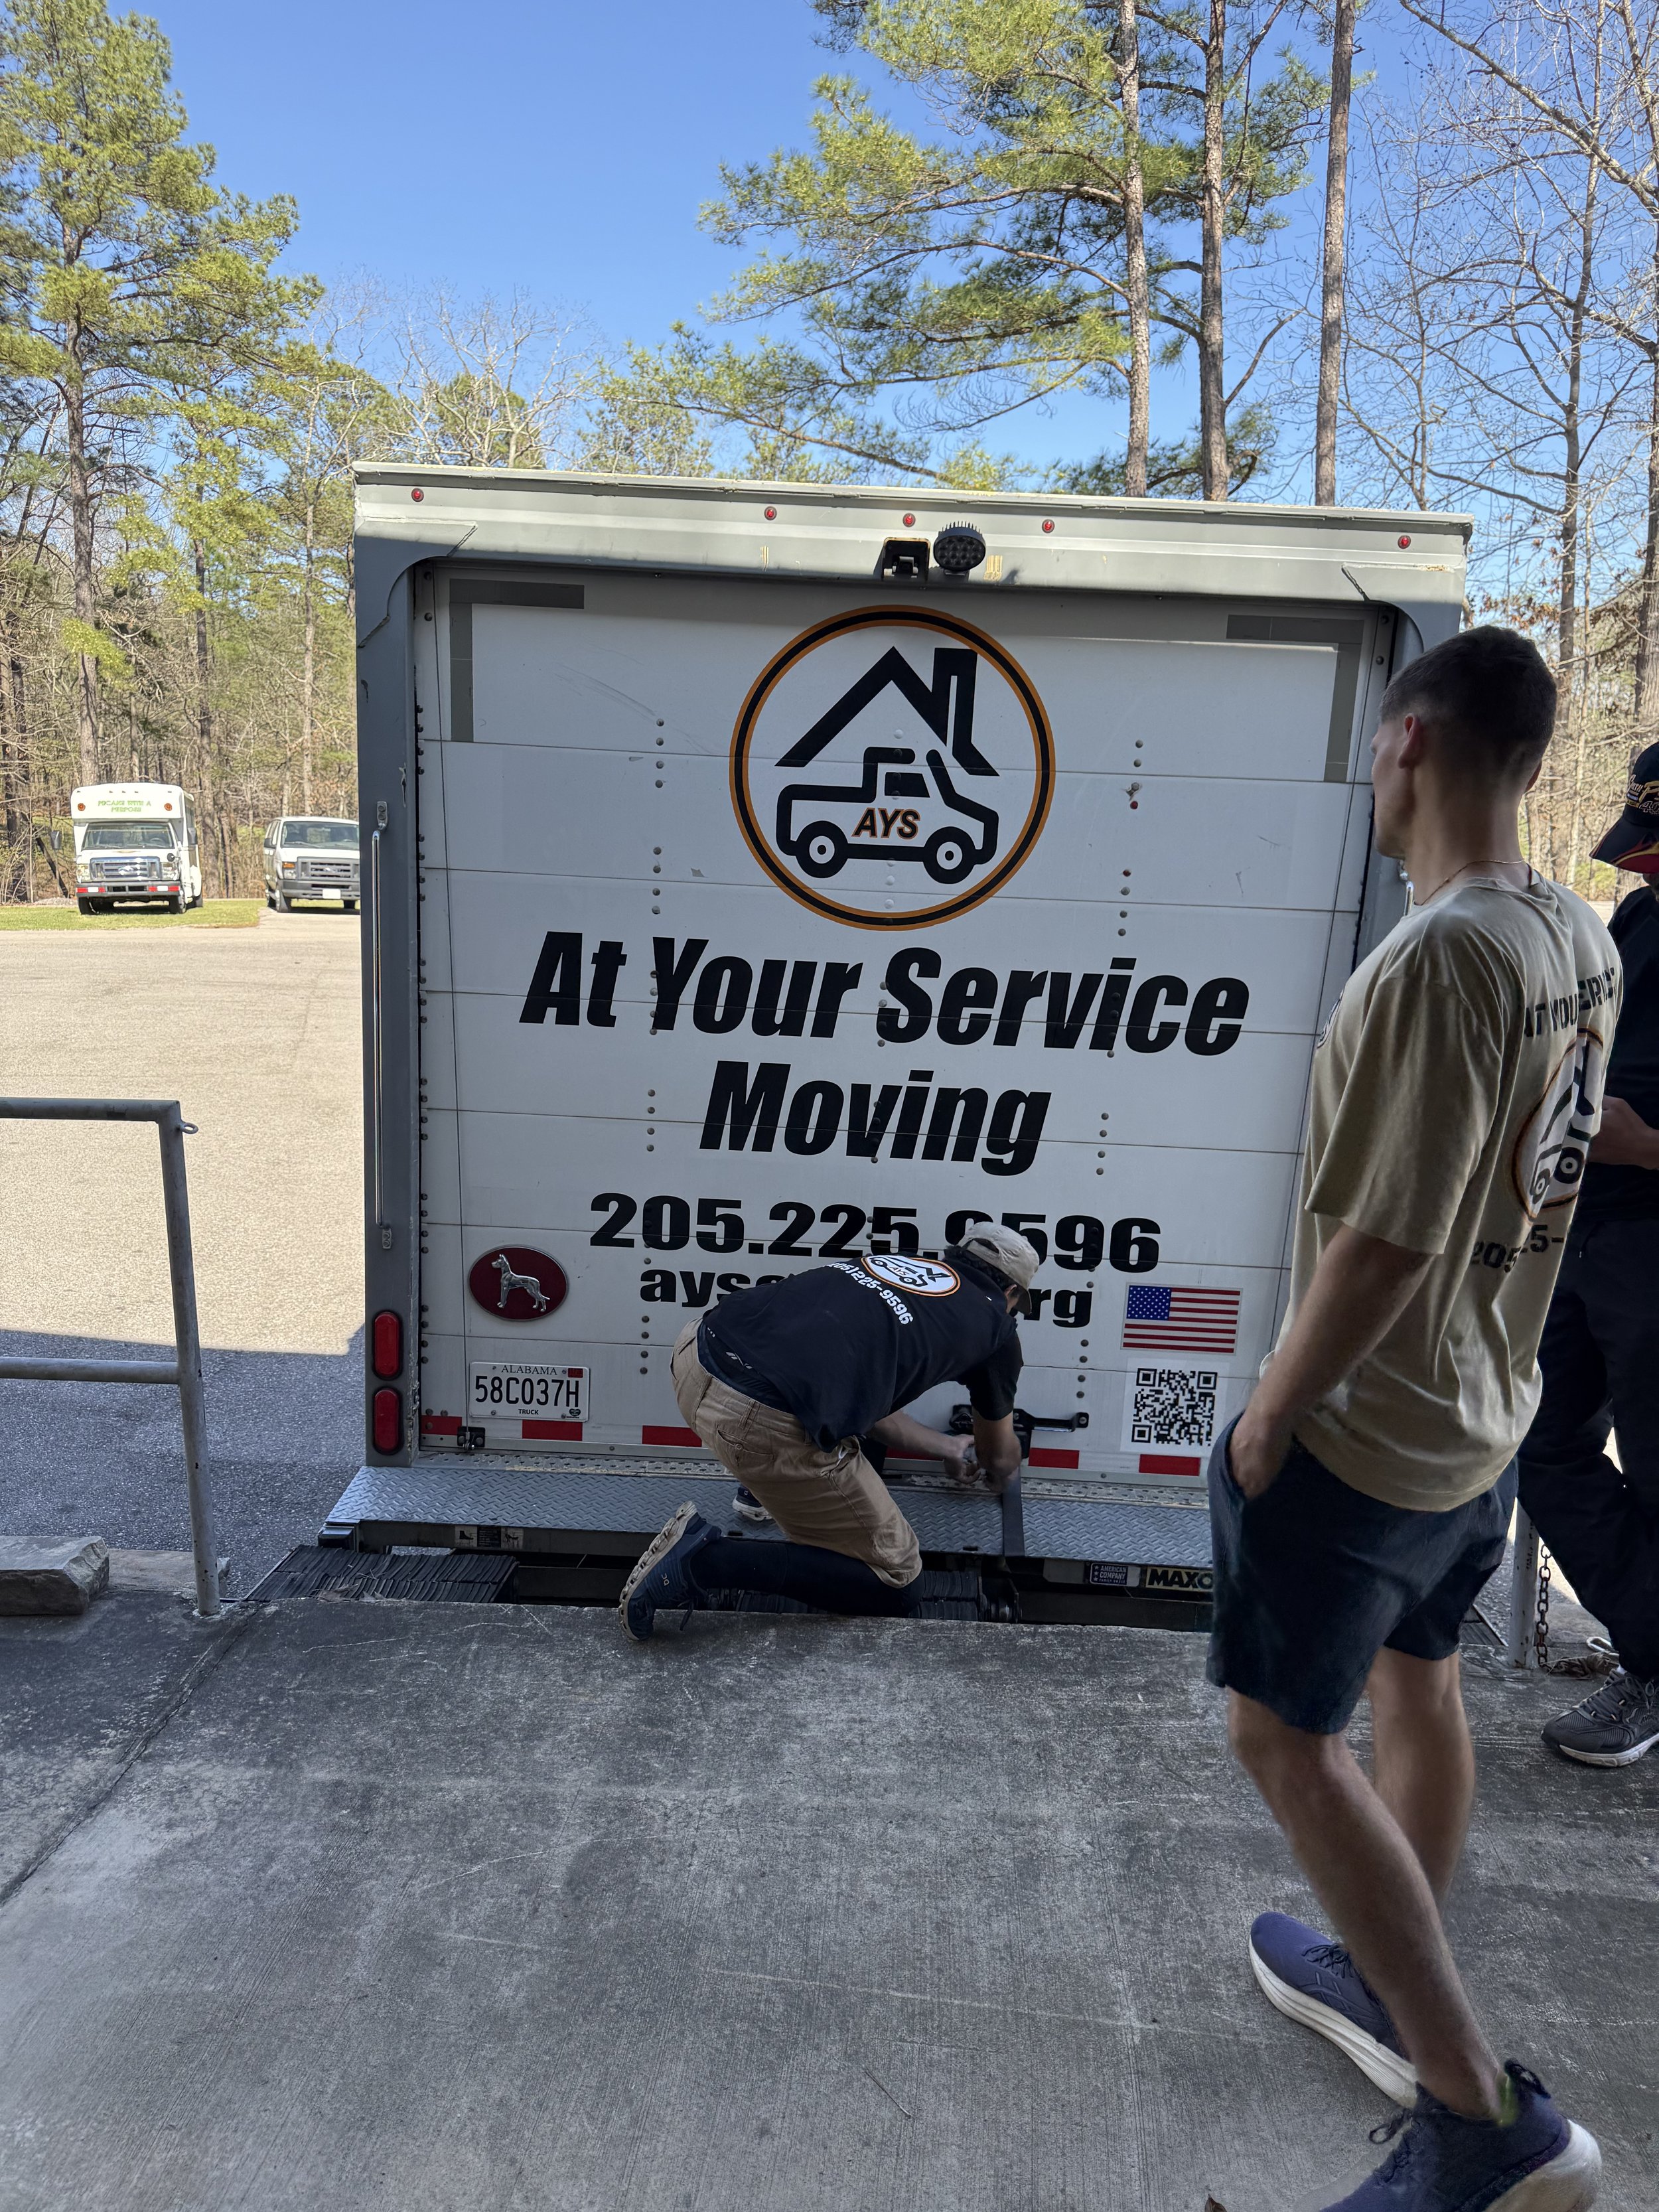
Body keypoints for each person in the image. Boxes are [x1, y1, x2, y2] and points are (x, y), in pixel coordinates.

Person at [1209, 627, 1614, 2211]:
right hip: (1483, 1410)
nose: (1369, 775)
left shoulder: (1445, 956)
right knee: (1420, 1679)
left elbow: (1385, 1237)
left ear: (1413, 746)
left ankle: (1480, 2119)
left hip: (1369, 1430)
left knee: (1280, 1738)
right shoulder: (1573, 930)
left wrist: (1269, 1415)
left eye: (1376, 748)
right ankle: (1390, 1966)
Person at [616, 1224, 1037, 1639]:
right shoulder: (997, 1331)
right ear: (1013, 1295)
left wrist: (945, 1445)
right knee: (895, 1581)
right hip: (757, 1416)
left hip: (696, 1355)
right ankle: (702, 1561)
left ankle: (769, 1485)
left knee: (831, 1424)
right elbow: (998, 1457)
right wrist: (1002, 1467)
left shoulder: (894, 1267)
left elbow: (867, 1410)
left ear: (954, 1258)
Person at [1518, 741, 1659, 1765]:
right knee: (1540, 1441)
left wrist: (1639, 1140)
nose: (1640, 869)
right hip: (1585, 1229)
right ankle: (1655, 1648)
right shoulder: (1643, 918)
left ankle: (1646, 1679)